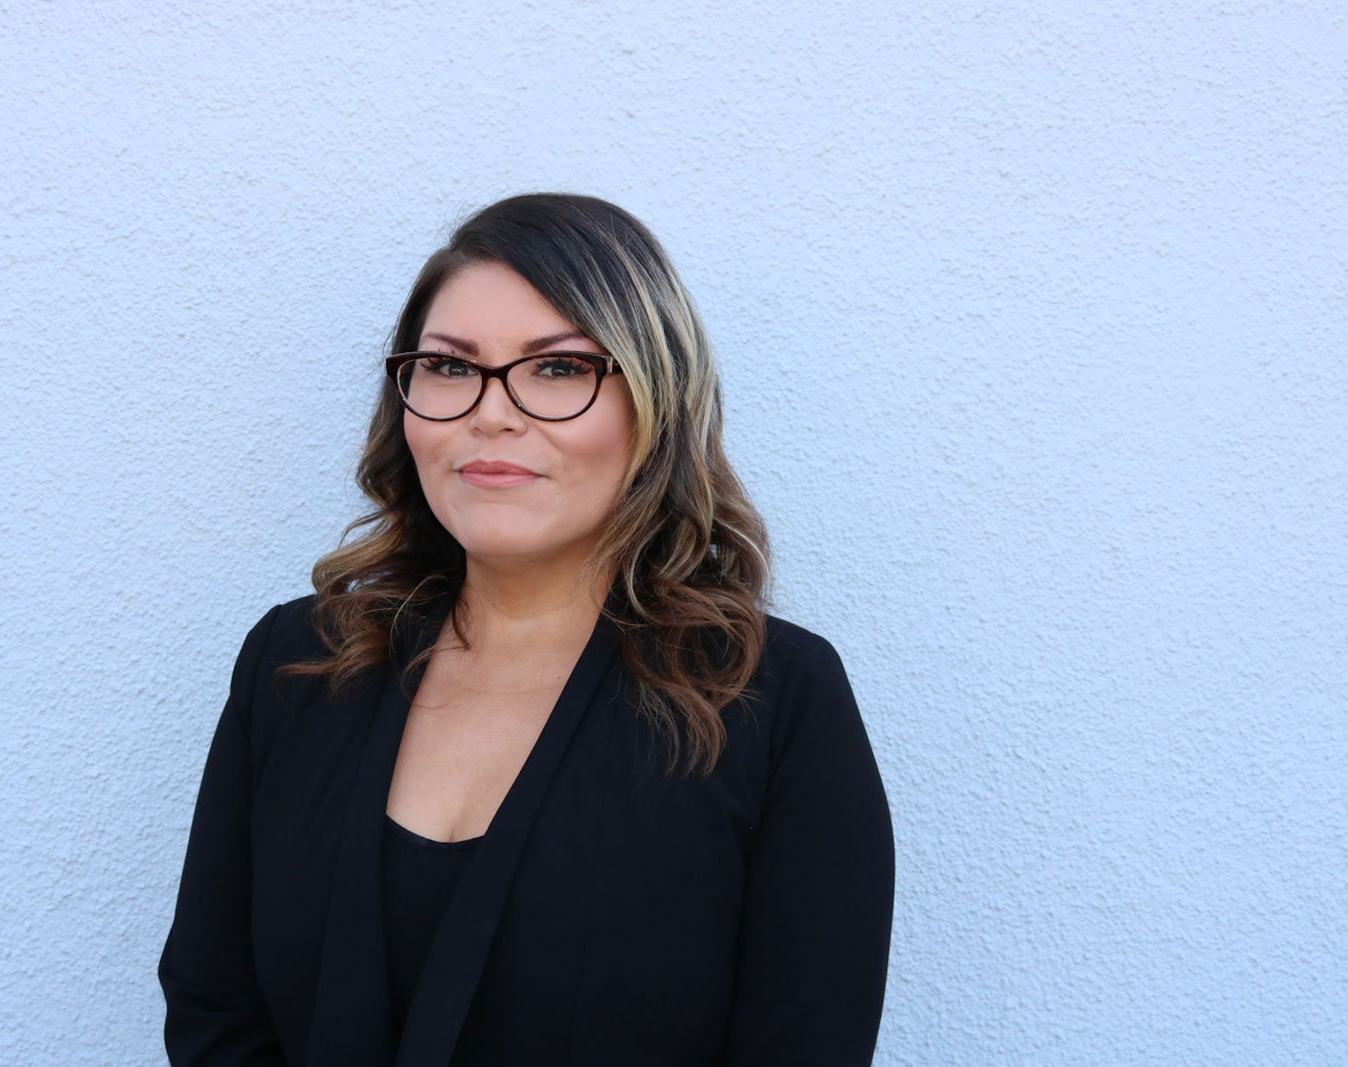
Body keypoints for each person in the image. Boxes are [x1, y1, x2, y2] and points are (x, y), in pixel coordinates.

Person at [158, 193, 894, 1066]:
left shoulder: (772, 701)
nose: (490, 412)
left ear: (654, 405)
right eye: (449, 366)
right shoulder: (298, 662)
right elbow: (215, 1008)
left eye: (556, 370)